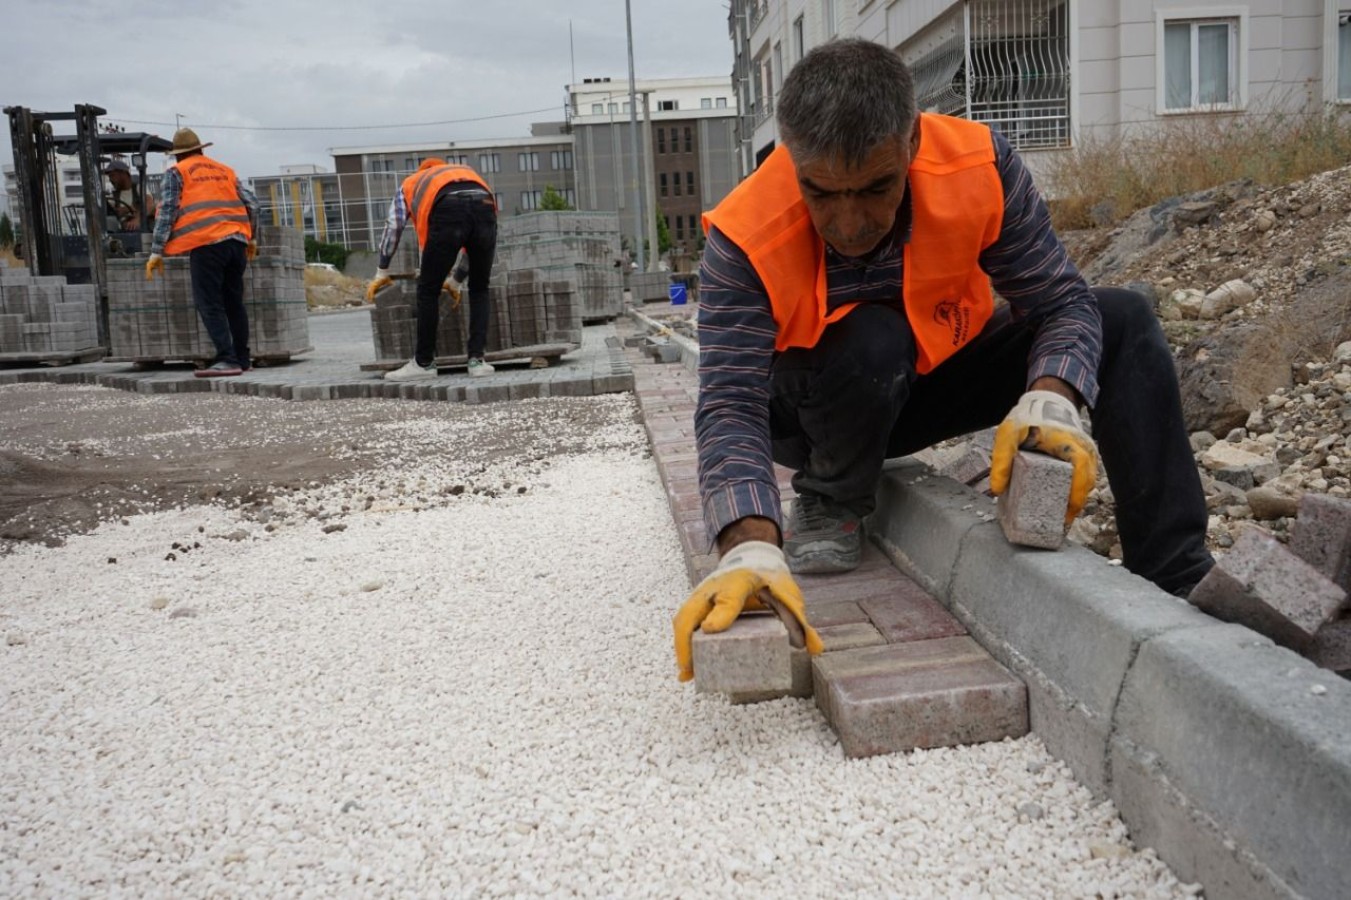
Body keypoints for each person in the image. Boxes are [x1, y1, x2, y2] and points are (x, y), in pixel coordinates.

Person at [672, 38, 1215, 682]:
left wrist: (1053, 397)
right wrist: (747, 545)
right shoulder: (745, 234)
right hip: (809, 412)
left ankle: (1175, 572)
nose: (848, 223)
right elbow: (730, 405)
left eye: (875, 188)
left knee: (1121, 317)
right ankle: (833, 497)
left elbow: (1061, 305)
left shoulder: (979, 168)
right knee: (873, 336)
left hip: (924, 377)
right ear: (793, 161)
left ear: (912, 144)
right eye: (822, 193)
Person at [366, 158, 498, 381]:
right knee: (479, 288)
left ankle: (424, 363)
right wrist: (456, 280)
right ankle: (477, 362)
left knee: (428, 290)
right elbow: (474, 238)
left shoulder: (411, 182)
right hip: (485, 205)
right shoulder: (466, 172)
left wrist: (382, 269)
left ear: (422, 170)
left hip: (448, 210)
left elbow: (394, 225)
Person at [145, 128, 259, 377]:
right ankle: (242, 357)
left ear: (178, 155)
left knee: (209, 302)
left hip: (206, 244)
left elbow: (168, 211)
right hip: (237, 243)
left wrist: (156, 251)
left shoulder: (177, 172)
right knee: (233, 302)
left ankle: (227, 359)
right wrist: (252, 238)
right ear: (200, 149)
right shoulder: (224, 170)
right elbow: (252, 204)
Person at [103, 159, 157, 232]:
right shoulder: (113, 196)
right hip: (124, 233)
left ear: (123, 173)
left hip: (144, 231)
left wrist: (137, 219)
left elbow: (149, 204)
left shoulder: (139, 188)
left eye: (112, 175)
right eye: (109, 177)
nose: (110, 180)